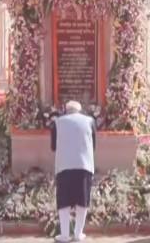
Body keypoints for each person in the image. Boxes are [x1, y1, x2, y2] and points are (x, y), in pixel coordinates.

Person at [51, 100, 96, 242]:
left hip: (64, 165)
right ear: (80, 110)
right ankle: (78, 233)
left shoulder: (57, 122)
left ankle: (64, 235)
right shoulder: (90, 121)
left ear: (66, 110)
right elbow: (93, 145)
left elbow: (53, 147)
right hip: (84, 165)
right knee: (82, 200)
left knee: (63, 200)